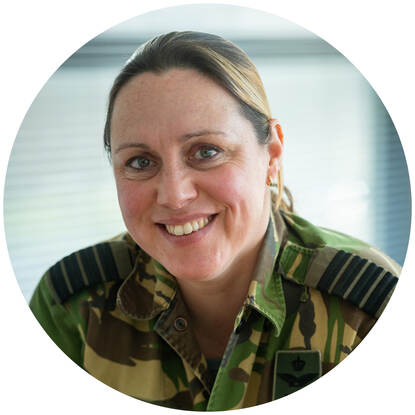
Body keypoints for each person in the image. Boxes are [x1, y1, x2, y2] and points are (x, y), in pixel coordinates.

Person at [29, 31, 401, 411]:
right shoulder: (69, 307)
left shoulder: (373, 306)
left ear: (272, 154)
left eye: (206, 152)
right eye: (140, 162)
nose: (174, 195)